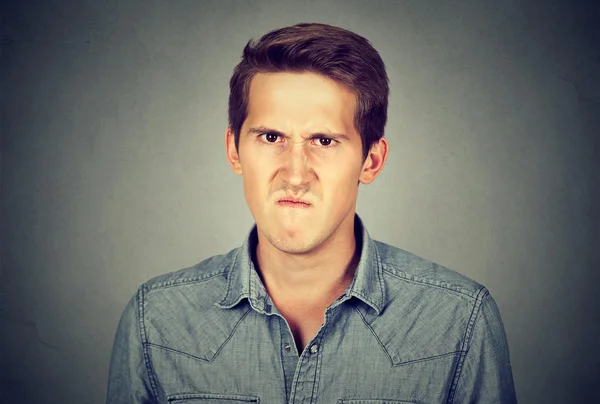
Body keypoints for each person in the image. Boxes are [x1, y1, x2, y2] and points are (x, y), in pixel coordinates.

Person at [106, 23, 517, 403]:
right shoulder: (154, 321)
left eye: (323, 140)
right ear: (234, 150)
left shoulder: (458, 321)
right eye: (271, 137)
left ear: (371, 160)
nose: (296, 174)